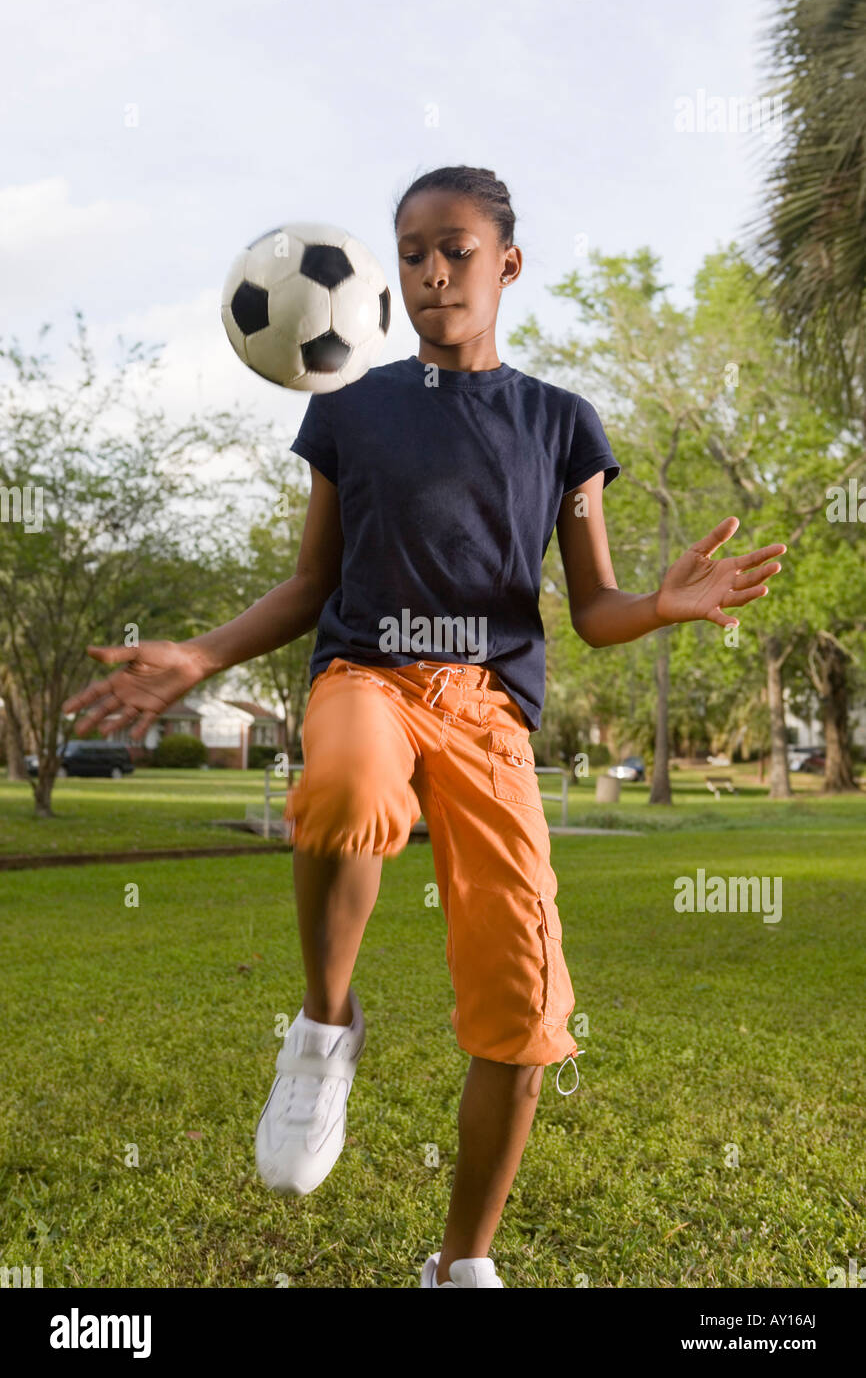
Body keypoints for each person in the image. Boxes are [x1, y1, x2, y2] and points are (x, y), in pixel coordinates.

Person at [62, 164, 786, 1289]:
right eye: (411, 252)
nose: (433, 269)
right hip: (370, 674)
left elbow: (590, 612)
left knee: (526, 1015)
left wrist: (660, 602)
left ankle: (461, 1265)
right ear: (389, 277)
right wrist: (202, 653)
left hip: (489, 714)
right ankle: (320, 1029)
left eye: (455, 247)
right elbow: (311, 582)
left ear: (505, 262)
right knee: (346, 792)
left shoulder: (562, 425)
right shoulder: (350, 405)